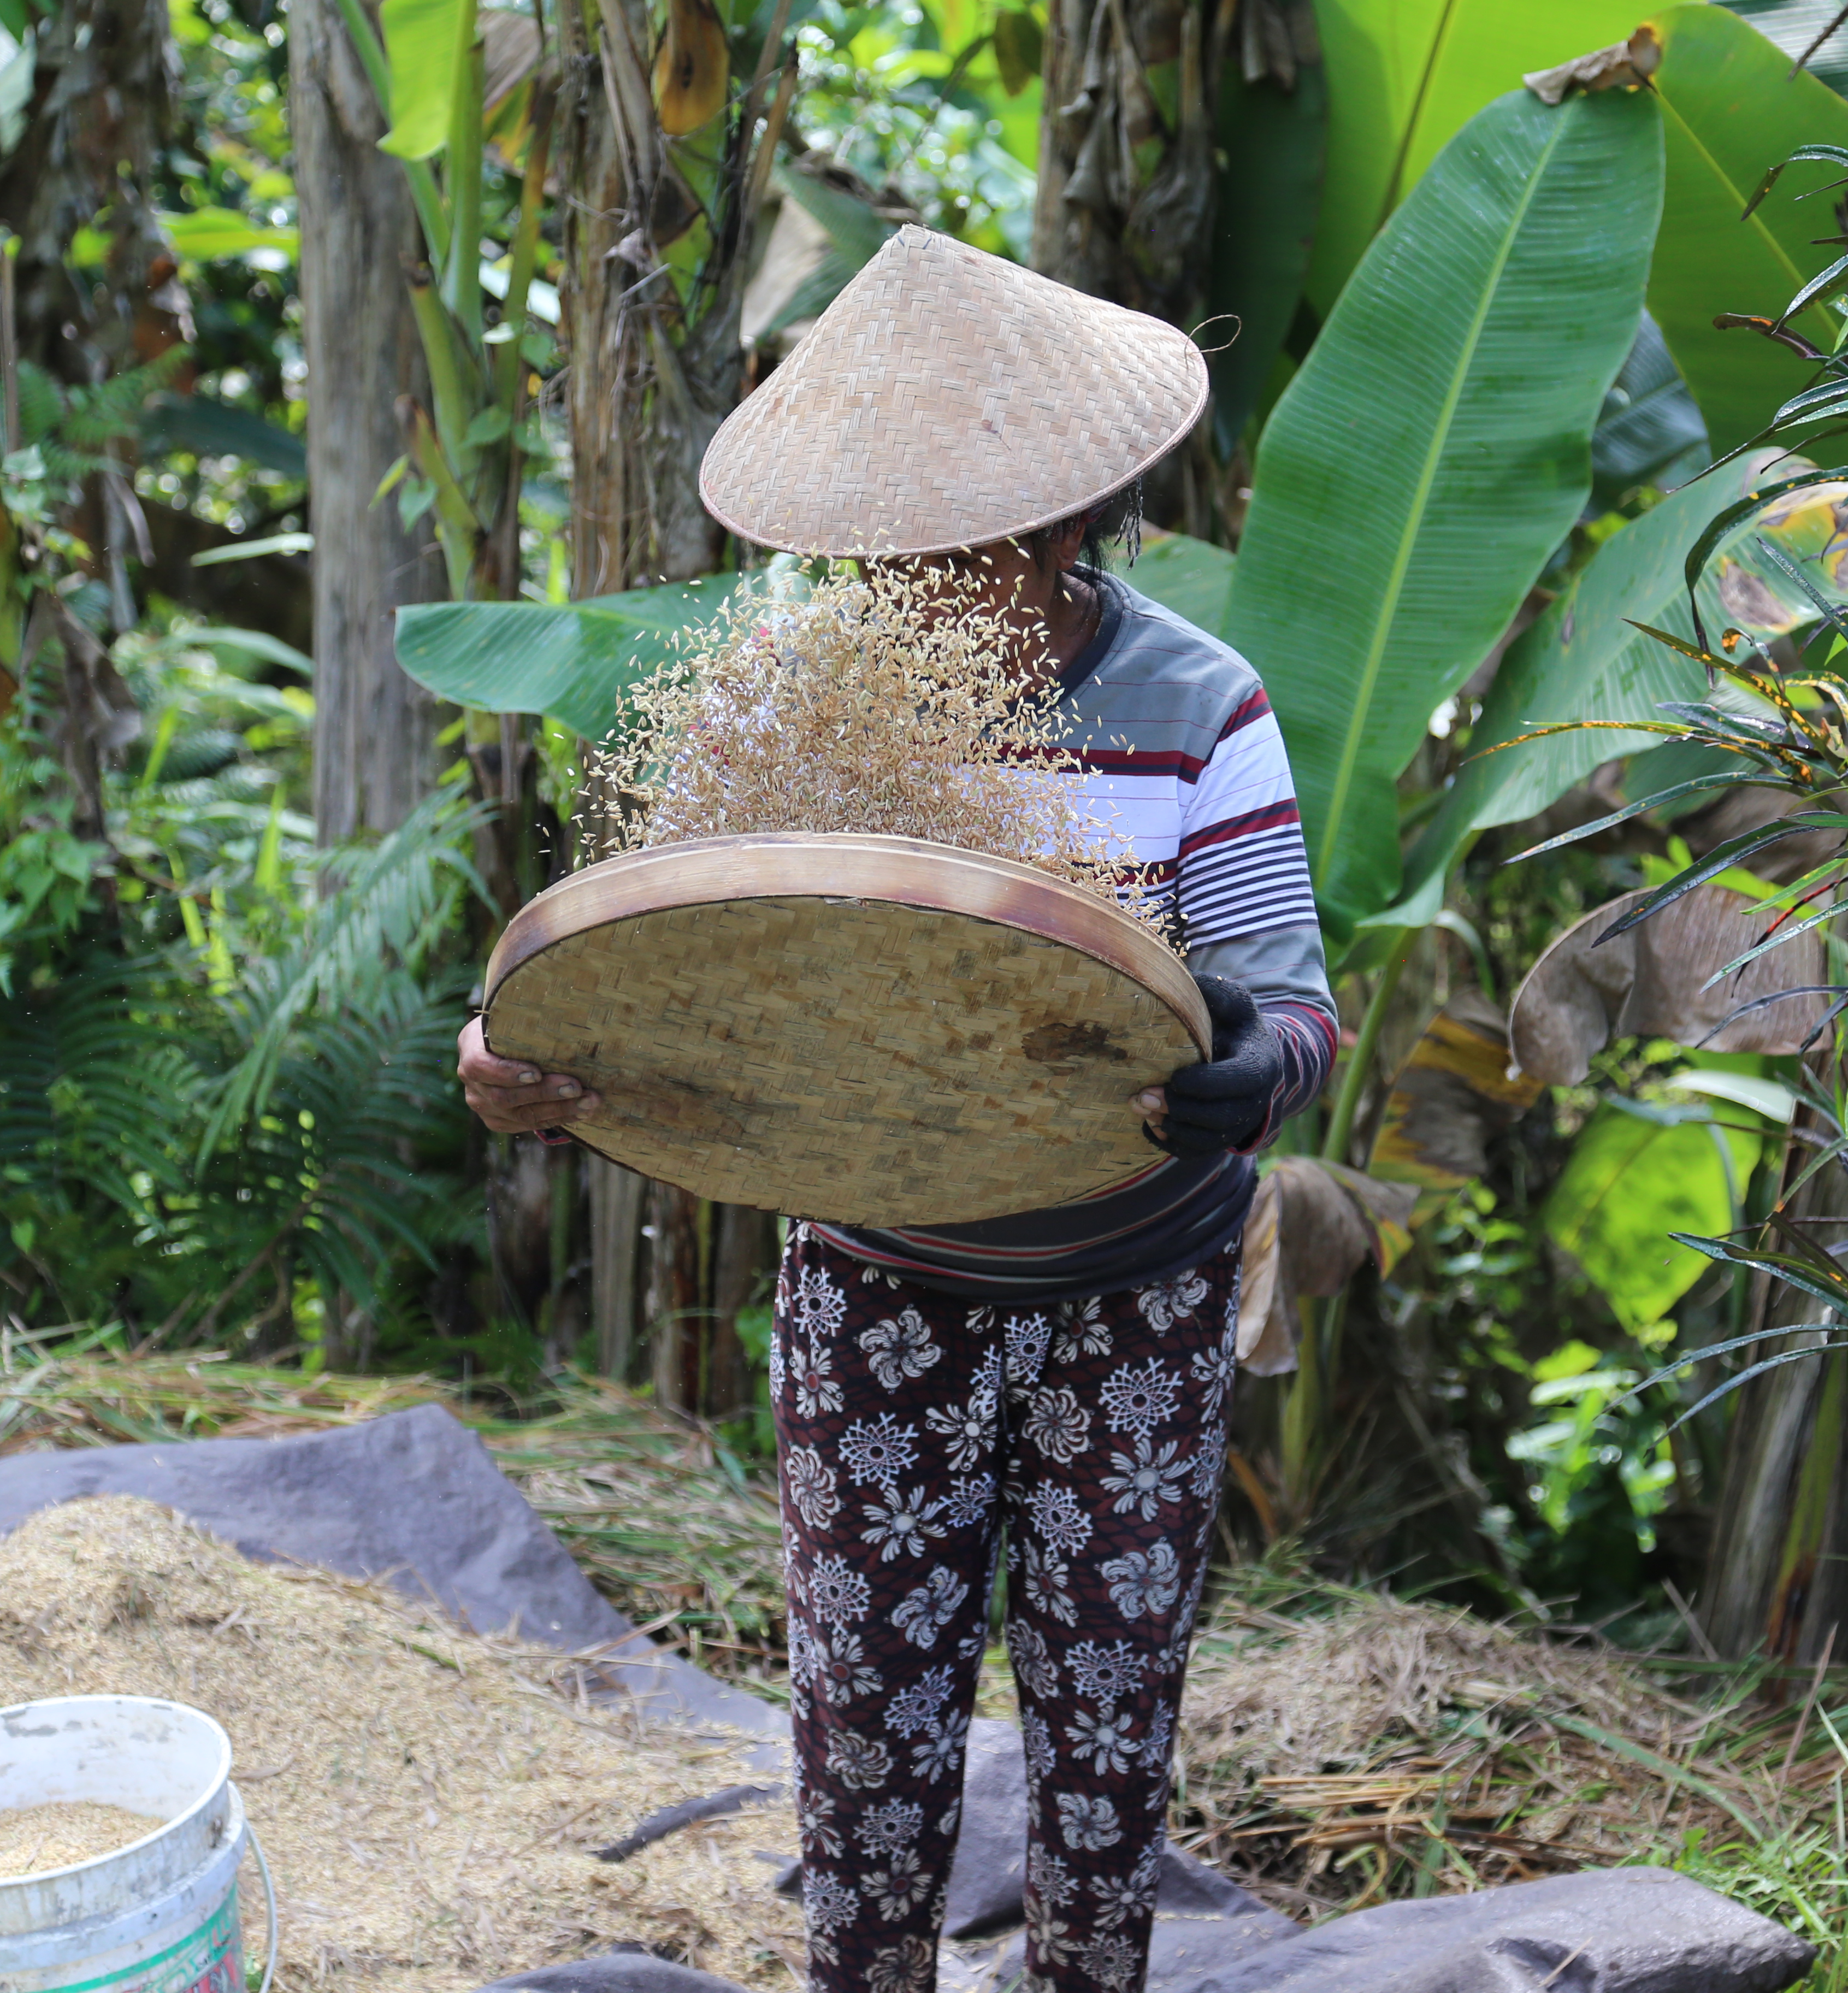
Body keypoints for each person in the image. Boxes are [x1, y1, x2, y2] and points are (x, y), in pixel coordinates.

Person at [457, 227, 1333, 1993]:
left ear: (1070, 521)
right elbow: (656, 960)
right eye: (904, 555)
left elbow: (1299, 1008)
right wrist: (510, 1060)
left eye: (979, 551)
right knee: (867, 1722)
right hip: (878, 1291)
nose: (938, 590)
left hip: (1135, 1300)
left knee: (1106, 1720)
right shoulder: (781, 697)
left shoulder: (1194, 705)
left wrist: (1254, 1078)